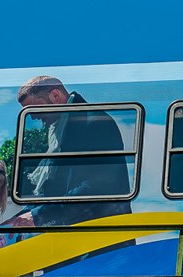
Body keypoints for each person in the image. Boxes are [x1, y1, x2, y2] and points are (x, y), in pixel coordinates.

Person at [11, 75, 133, 227]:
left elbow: (99, 187)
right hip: (77, 236)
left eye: (35, 108)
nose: (34, 117)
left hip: (98, 237)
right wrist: (19, 218)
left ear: (55, 96)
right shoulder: (58, 133)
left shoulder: (94, 123)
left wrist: (39, 215)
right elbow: (53, 191)